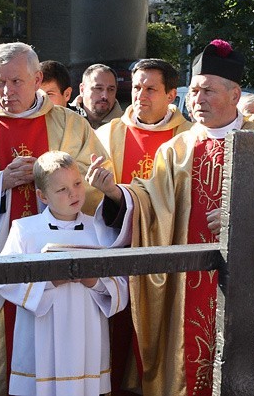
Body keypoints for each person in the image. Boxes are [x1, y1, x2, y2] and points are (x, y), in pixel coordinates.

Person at [87, 39, 254, 396]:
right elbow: (151, 202)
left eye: (208, 92)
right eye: (194, 91)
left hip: (249, 281)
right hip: (190, 282)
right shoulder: (177, 149)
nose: (197, 99)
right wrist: (115, 193)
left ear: (235, 95)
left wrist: (247, 218)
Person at [0, 42, 111, 396]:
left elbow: (96, 189)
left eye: (16, 81)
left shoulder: (70, 125)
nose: (6, 91)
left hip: (61, 280)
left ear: (37, 78)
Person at [95, 58, 191, 395]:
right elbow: (92, 200)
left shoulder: (189, 139)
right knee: (115, 341)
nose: (141, 95)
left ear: (172, 95)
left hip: (168, 259)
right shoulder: (106, 135)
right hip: (118, 255)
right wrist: (108, 194)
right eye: (137, 87)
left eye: (151, 89)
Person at [0, 151, 128, 396]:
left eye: (77, 184)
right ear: (42, 196)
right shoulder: (24, 230)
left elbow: (121, 284)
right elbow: (6, 280)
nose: (74, 193)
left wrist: (95, 282)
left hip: (87, 332)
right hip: (41, 332)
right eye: (62, 190)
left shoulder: (100, 228)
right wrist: (48, 282)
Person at [70, 64, 123, 129]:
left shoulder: (126, 126)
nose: (105, 96)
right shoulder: (63, 119)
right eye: (99, 88)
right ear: (82, 90)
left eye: (111, 90)